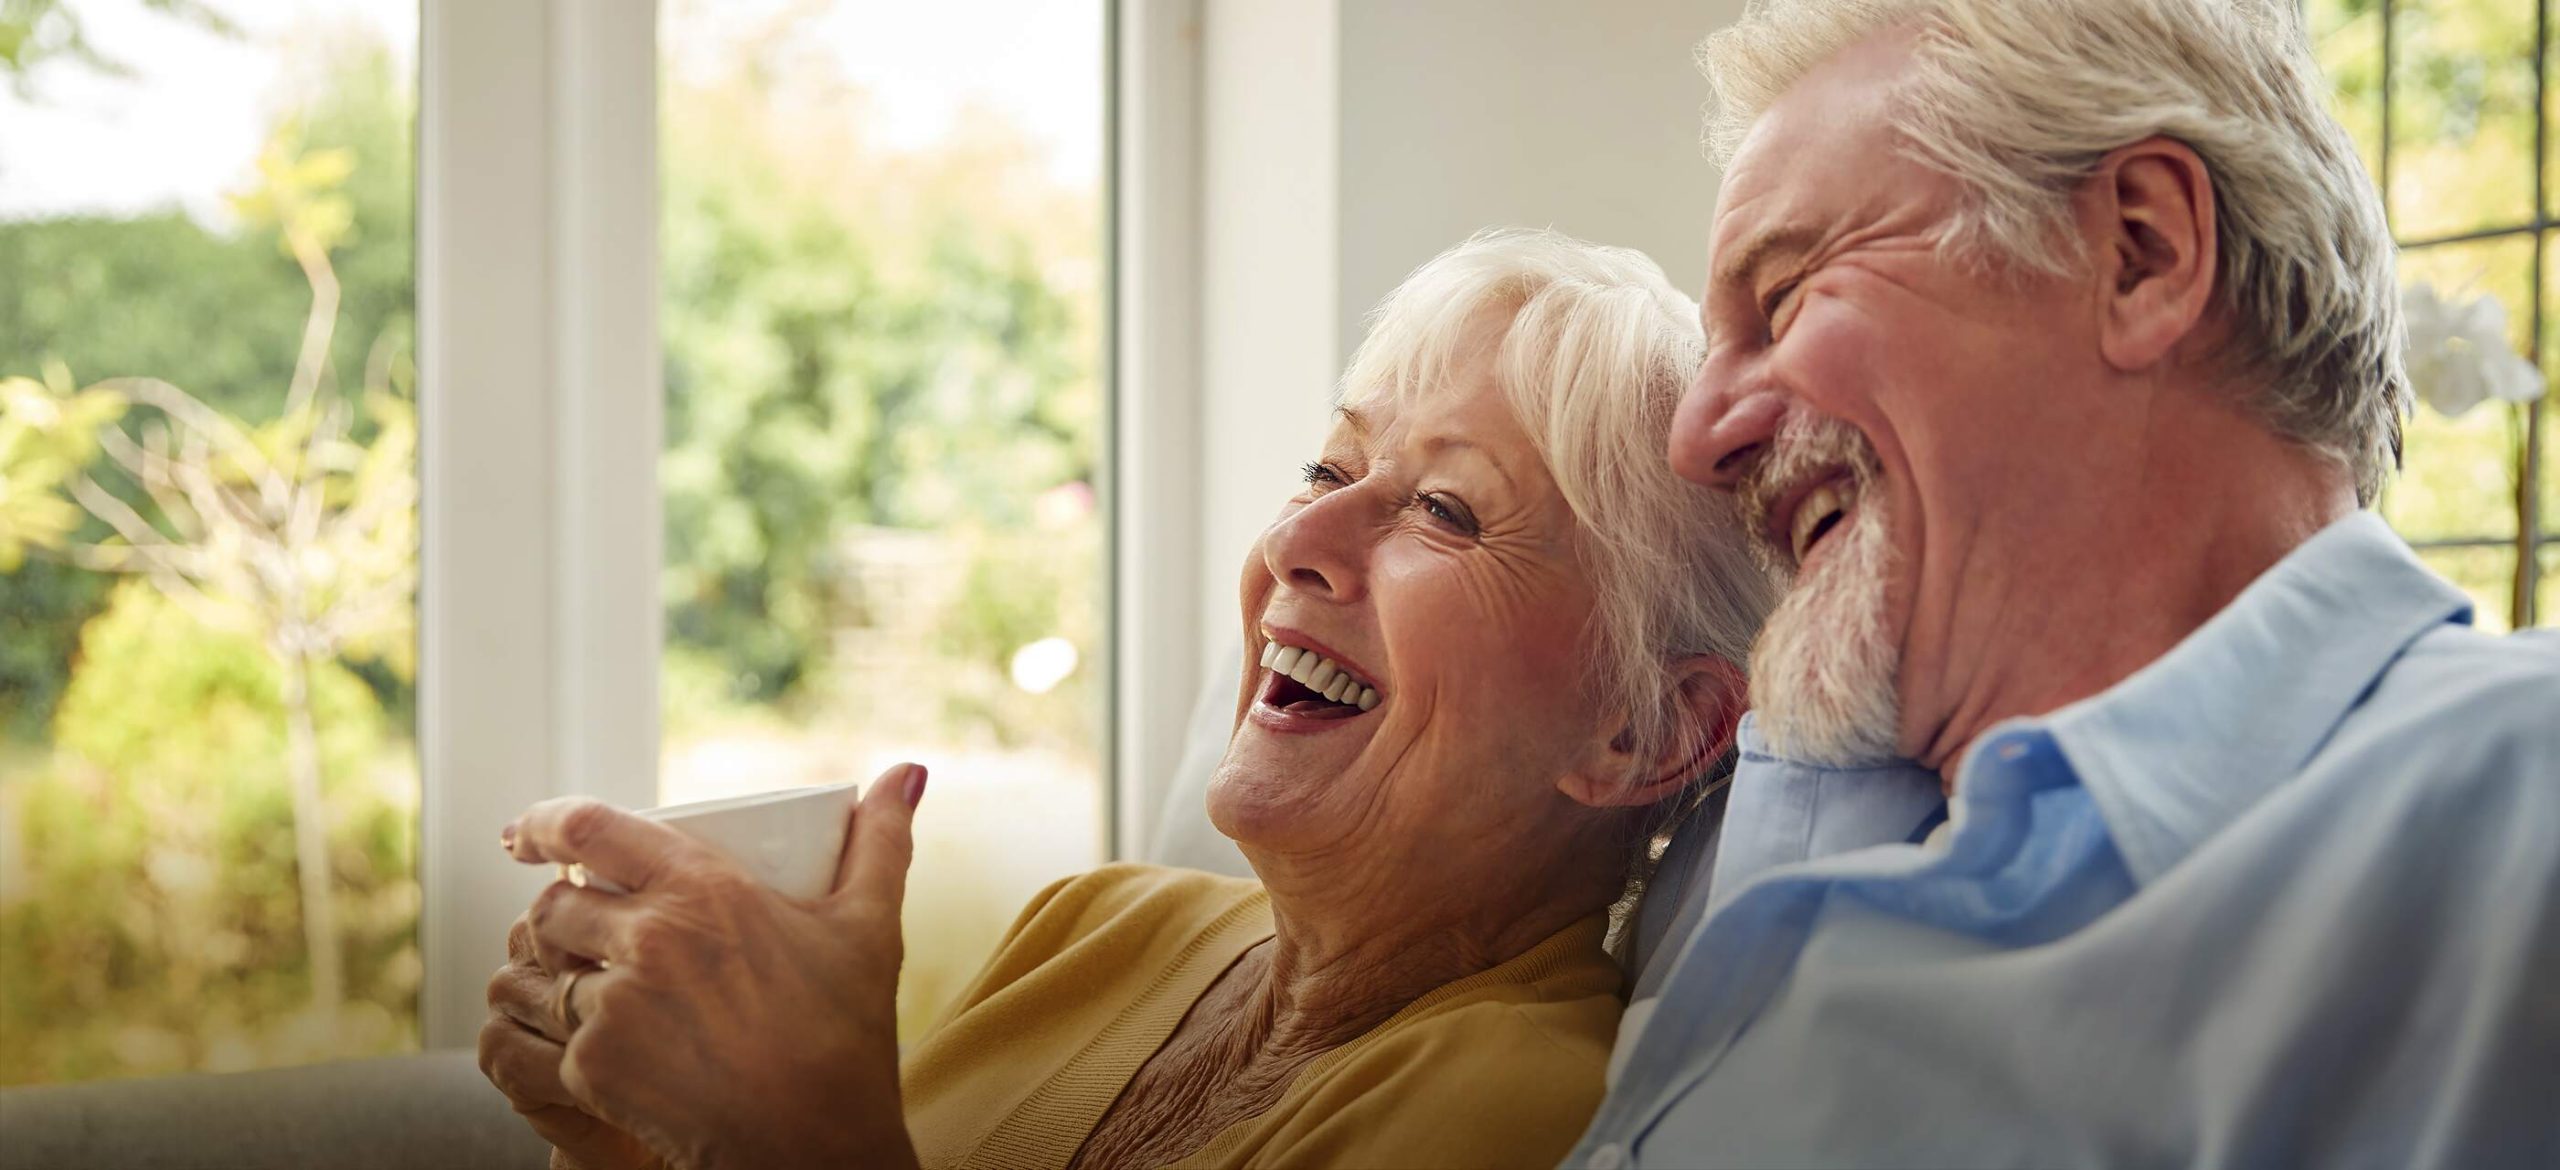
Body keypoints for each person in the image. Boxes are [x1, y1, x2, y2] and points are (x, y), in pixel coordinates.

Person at [475, 229, 1780, 1170]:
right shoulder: (1098, 920)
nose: (1300, 538)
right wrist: (632, 1132)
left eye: (1446, 508)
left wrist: (795, 1134)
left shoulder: (1518, 1101)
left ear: (1643, 730)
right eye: (1328, 463)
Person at [1568, 1, 2560, 1167]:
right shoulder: (1716, 854)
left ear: (2140, 253)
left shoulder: (2516, 809)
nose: (1696, 440)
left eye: (1784, 299)